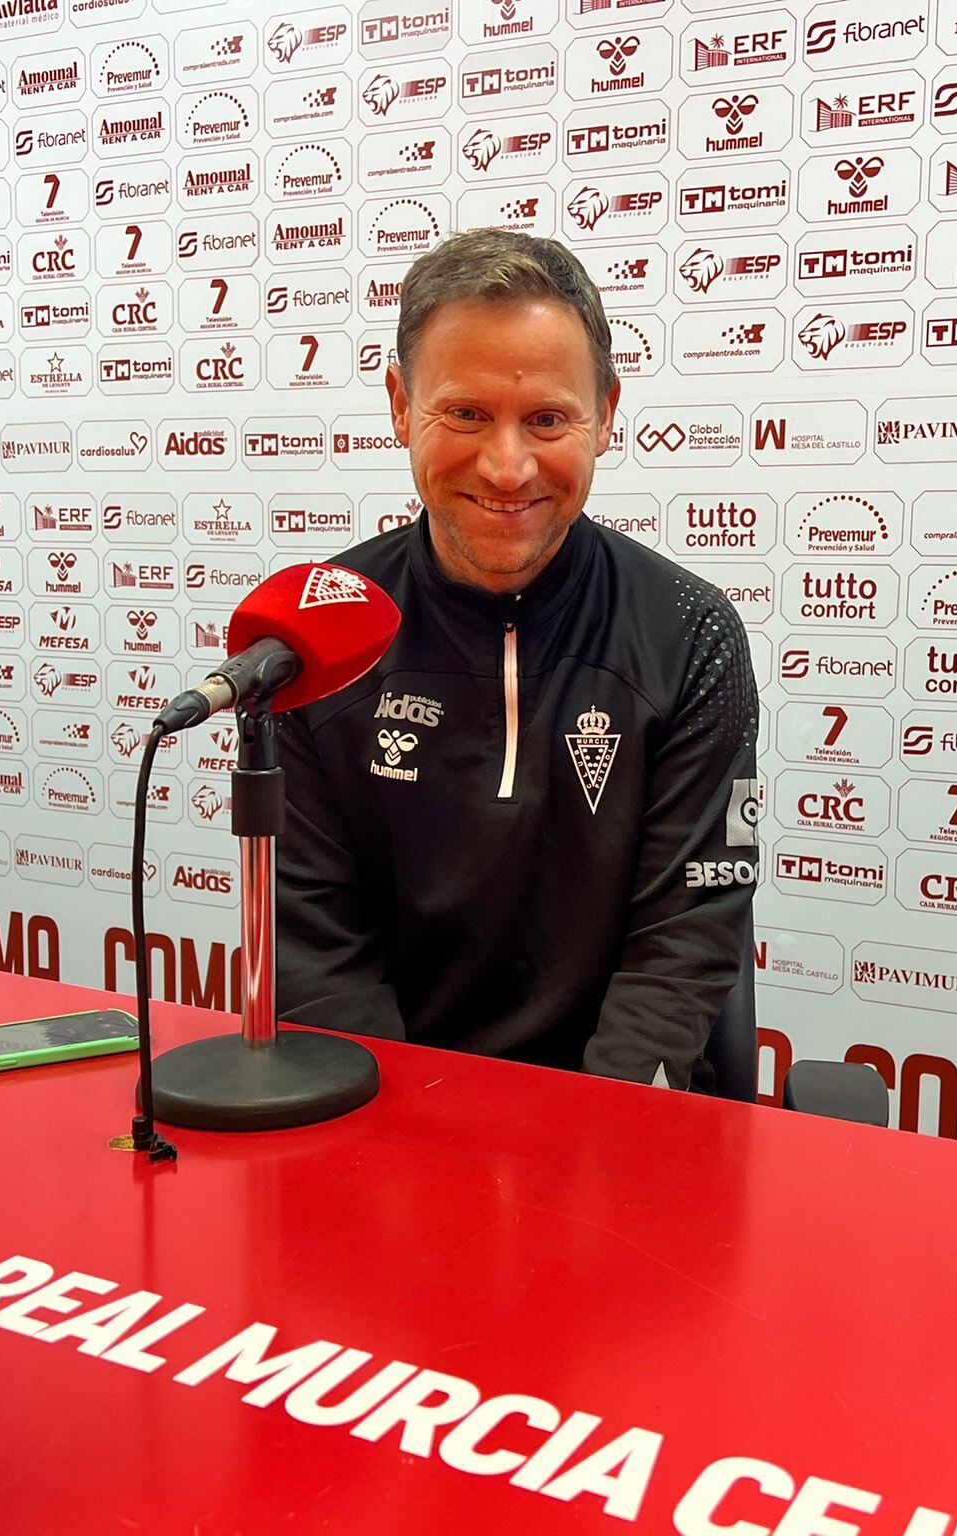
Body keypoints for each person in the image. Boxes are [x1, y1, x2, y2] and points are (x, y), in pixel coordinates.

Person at [274, 228, 760, 1091]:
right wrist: (406, 1151)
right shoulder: (317, 632)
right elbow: (317, 951)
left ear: (606, 413)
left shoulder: (691, 633)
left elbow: (683, 944)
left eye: (547, 419)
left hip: (608, 1131)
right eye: (464, 414)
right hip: (384, 1124)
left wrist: (583, 1158)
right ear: (399, 405)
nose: (507, 467)